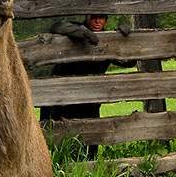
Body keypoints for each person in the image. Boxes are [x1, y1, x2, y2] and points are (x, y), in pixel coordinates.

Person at [41, 14, 135, 158]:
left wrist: (126, 38)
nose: (98, 21)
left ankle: (88, 167)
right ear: (87, 17)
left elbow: (128, 62)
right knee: (56, 137)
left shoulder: (107, 40)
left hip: (90, 99)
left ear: (106, 20)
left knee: (90, 139)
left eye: (102, 18)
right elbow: (57, 26)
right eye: (94, 17)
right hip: (62, 96)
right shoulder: (75, 29)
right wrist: (81, 33)